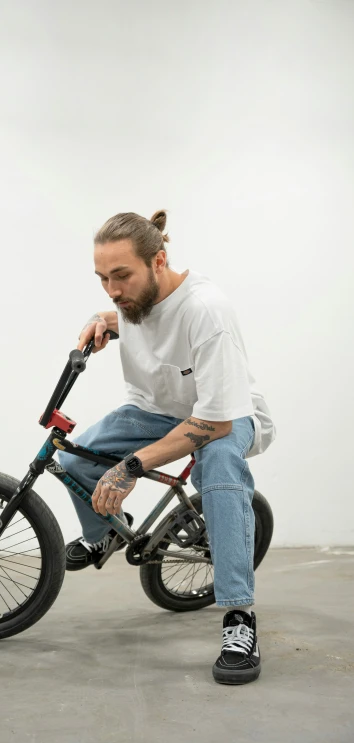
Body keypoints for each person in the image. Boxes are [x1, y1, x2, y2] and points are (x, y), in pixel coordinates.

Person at [58, 209, 276, 685]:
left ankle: (239, 617)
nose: (113, 289)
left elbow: (215, 422)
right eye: (102, 278)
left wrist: (131, 466)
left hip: (225, 413)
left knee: (218, 469)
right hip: (154, 409)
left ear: (159, 262)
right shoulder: (135, 299)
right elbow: (125, 316)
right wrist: (100, 321)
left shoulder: (207, 311)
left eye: (121, 276)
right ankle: (106, 533)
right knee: (72, 457)